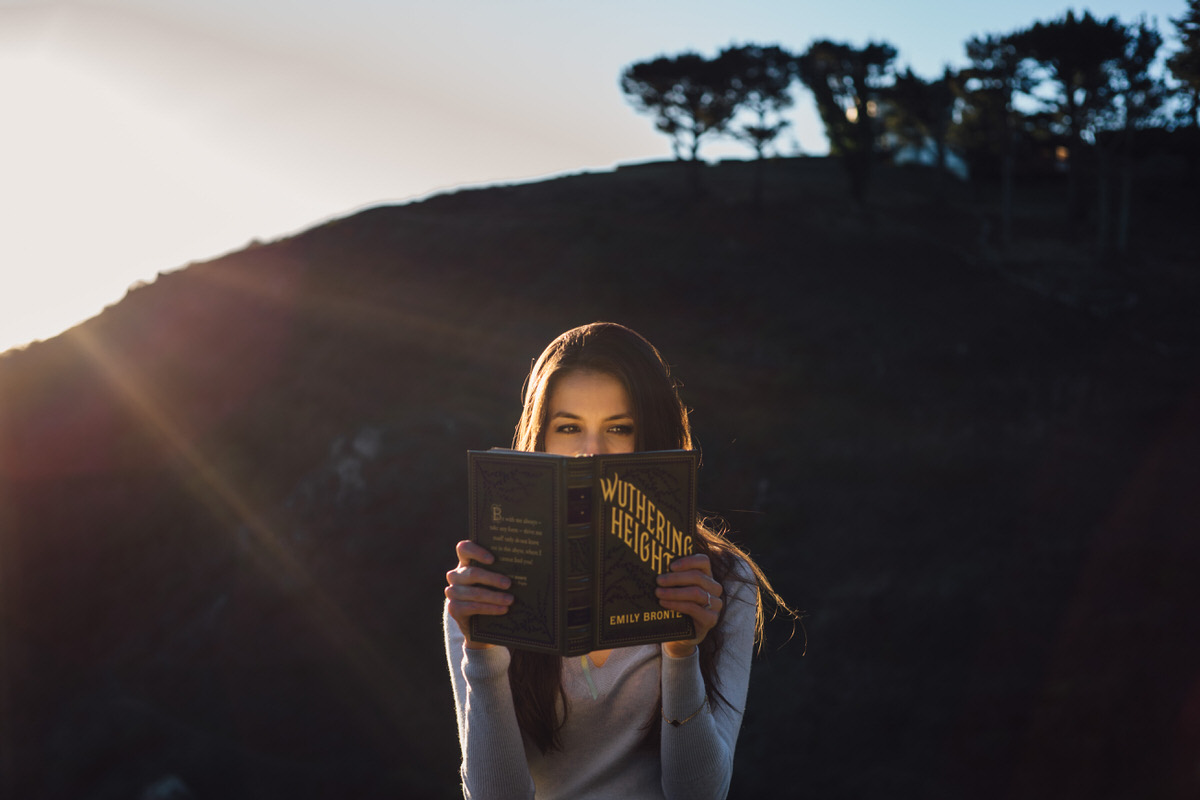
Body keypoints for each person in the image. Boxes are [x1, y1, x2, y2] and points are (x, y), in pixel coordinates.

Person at [444, 322, 792, 800]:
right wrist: (481, 652)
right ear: (539, 439)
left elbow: (700, 793)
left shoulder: (722, 582)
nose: (591, 452)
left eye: (619, 429)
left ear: (653, 435)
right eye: (568, 428)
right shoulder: (485, 586)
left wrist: (681, 652)